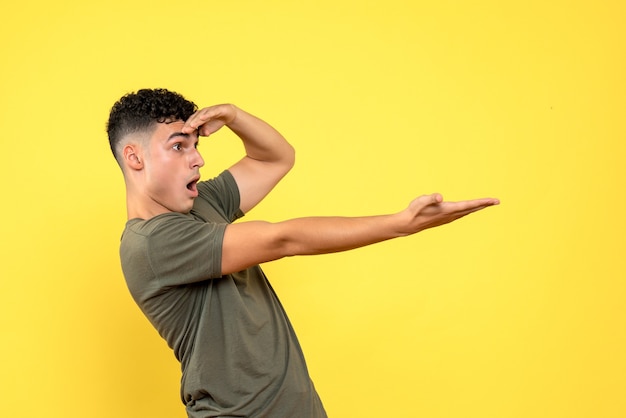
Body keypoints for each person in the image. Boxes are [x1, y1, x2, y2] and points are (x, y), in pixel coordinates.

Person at [106, 88, 499, 418]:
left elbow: (275, 158)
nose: (198, 159)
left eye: (195, 145)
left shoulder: (201, 204)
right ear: (134, 158)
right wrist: (401, 223)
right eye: (178, 146)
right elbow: (283, 239)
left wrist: (235, 116)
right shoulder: (152, 244)